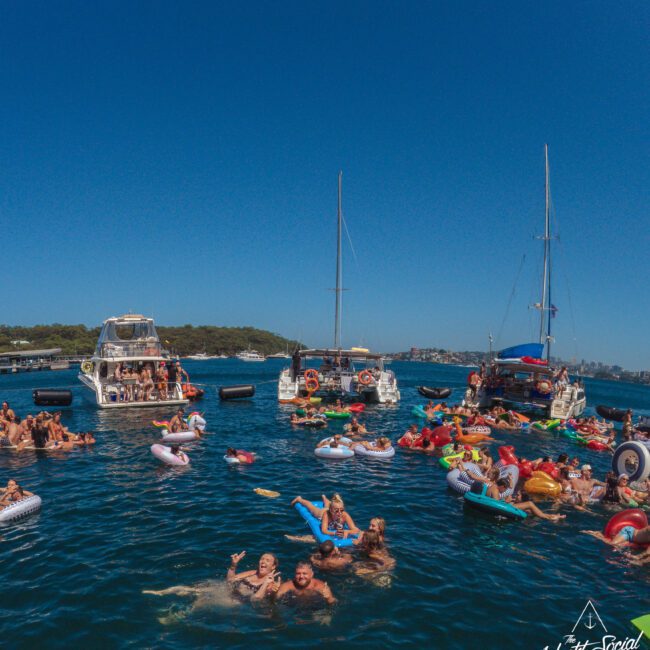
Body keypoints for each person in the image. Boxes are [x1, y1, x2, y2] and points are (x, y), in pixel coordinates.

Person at [486, 479, 566, 521]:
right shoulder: (496, 490)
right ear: (502, 486)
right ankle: (547, 517)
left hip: (507, 505)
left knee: (529, 510)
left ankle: (551, 516)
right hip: (506, 506)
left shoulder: (492, 487)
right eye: (504, 489)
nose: (503, 491)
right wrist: (506, 501)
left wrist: (504, 500)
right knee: (530, 504)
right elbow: (496, 505)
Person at [291, 493, 360, 540]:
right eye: (336, 511)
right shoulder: (326, 515)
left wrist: (347, 531)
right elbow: (324, 530)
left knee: (327, 505)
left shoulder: (345, 515)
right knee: (310, 507)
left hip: (329, 509)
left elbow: (356, 529)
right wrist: (334, 533)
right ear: (331, 510)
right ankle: (299, 499)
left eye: (341, 510)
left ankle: (324, 498)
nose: (339, 513)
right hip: (321, 513)